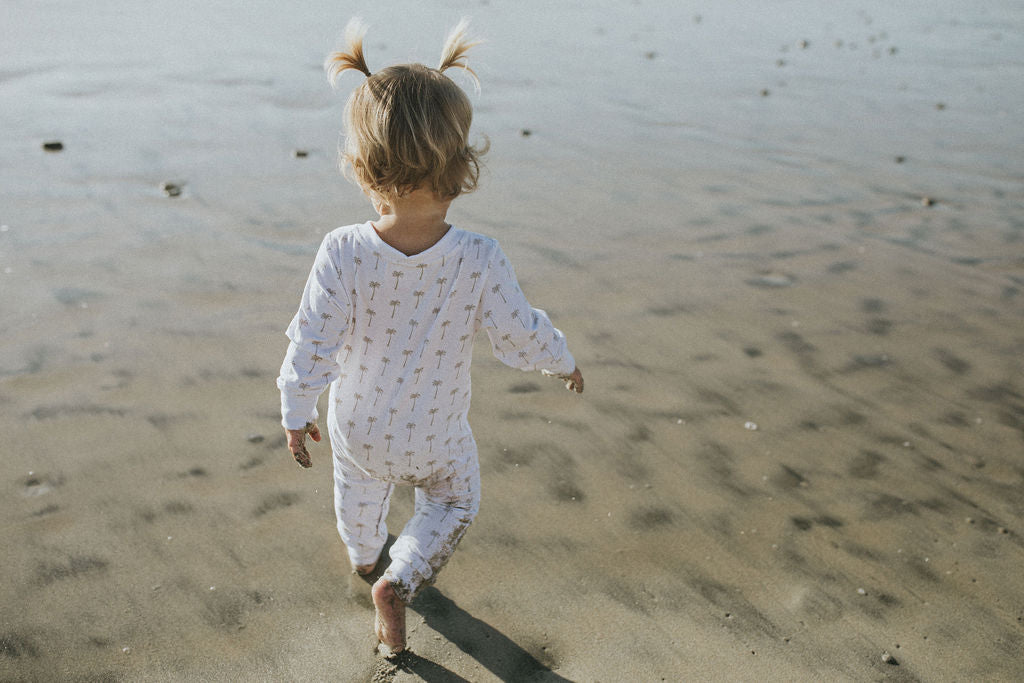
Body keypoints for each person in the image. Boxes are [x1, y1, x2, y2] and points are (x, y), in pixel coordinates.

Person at [276, 18, 584, 654]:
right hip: (434, 432)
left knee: (358, 495)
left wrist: (294, 409)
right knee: (453, 501)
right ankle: (400, 578)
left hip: (357, 425)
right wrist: (562, 360)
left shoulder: (342, 250)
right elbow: (520, 331)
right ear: (463, 164)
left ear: (361, 168)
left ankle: (365, 559)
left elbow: (312, 340)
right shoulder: (478, 256)